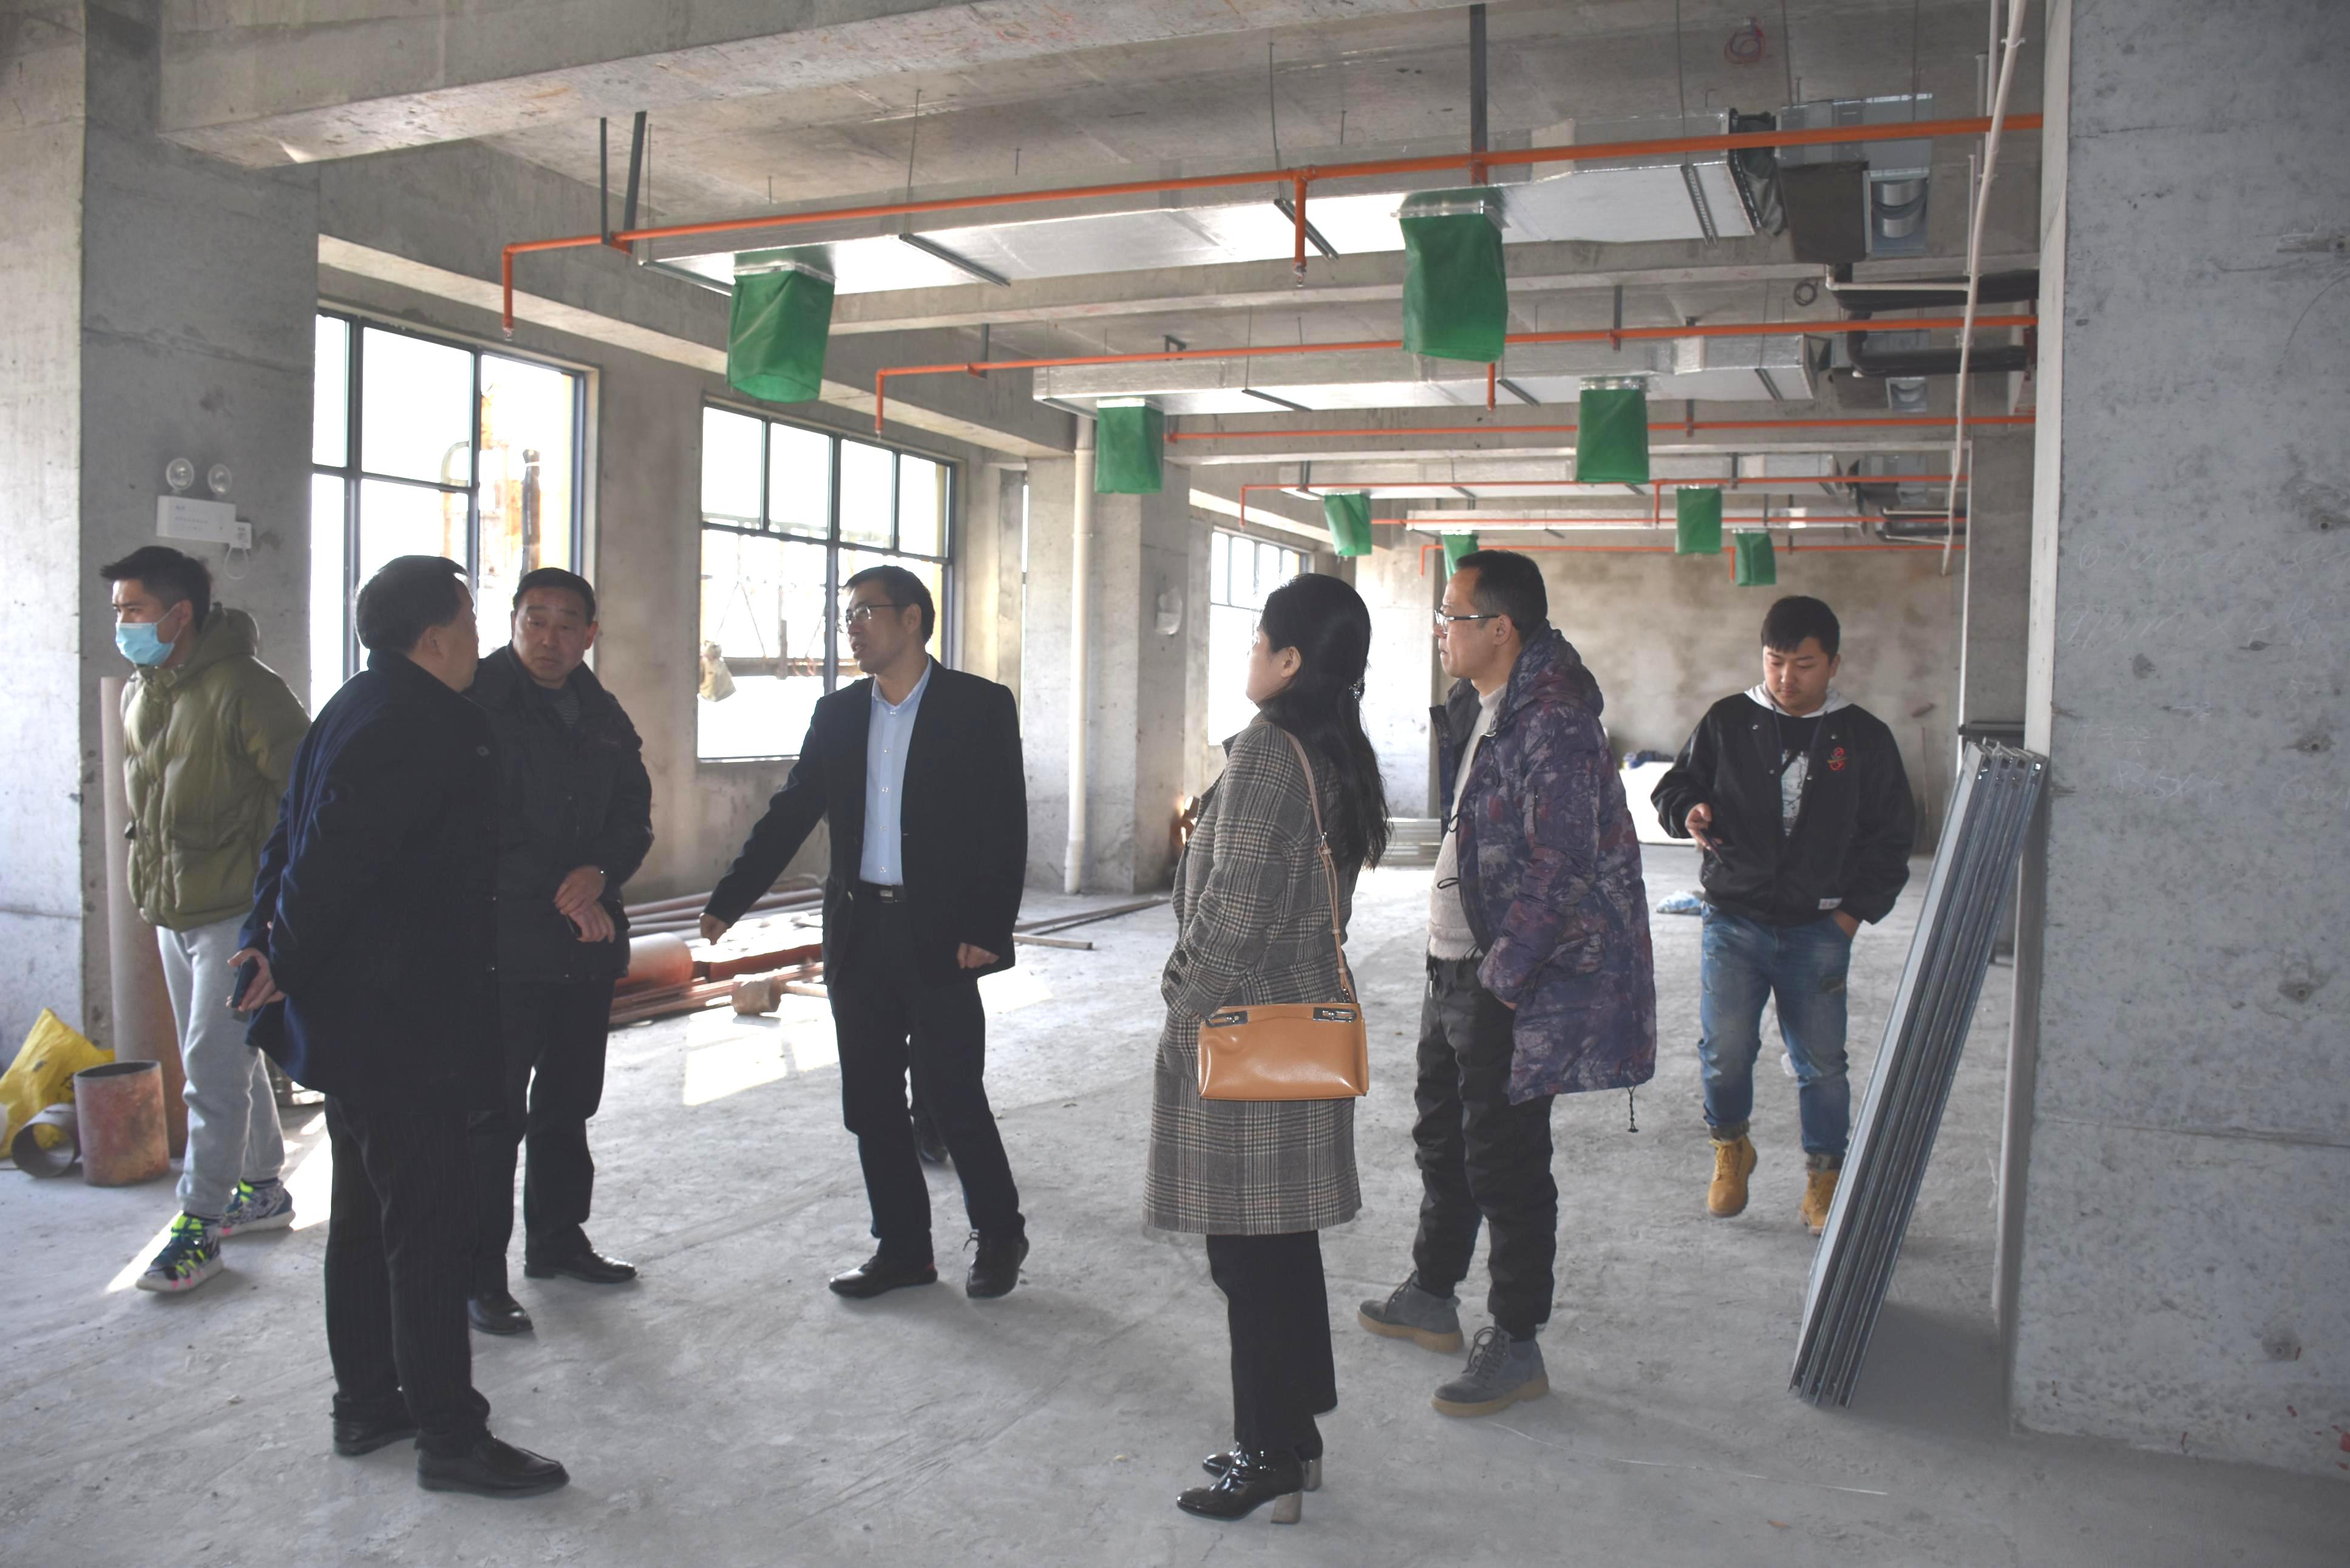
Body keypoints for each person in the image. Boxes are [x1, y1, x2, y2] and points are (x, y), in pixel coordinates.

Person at [235, 555, 566, 1498]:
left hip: (355, 1025)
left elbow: (288, 836)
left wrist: (265, 940)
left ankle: (368, 1402)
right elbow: (329, 857)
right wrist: (281, 952)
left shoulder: (353, 702)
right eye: (469, 619)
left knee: (365, 1217)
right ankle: (450, 1435)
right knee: (428, 1226)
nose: (477, 637)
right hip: (404, 1024)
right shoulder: (424, 722)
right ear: (433, 635)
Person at [1358, 549, 1657, 1419]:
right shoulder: (1478, 705)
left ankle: (1517, 1341)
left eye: (1450, 615)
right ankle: (1432, 1291)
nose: (1439, 631)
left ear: (1500, 628)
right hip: (1450, 960)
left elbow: (1560, 865)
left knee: (1506, 1160)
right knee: (1442, 1136)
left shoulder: (1554, 722)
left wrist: (1502, 977)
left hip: (1504, 977)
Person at [699, 565, 1029, 1300]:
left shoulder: (978, 707)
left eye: (863, 612)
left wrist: (987, 926)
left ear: (912, 619)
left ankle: (1000, 1233)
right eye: (845, 616)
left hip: (941, 934)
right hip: (859, 933)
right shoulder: (838, 714)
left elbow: (1002, 823)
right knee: (871, 1102)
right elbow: (792, 810)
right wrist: (732, 897)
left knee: (951, 1093)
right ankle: (903, 1248)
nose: (850, 627)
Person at [1149, 572, 1388, 1526]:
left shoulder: (1265, 751)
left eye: (1256, 640)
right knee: (1279, 1246)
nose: (1248, 654)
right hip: (1296, 1019)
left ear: (1289, 659)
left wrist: (1181, 1008)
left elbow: (1233, 912)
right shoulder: (1333, 750)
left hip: (1245, 1030)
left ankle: (1268, 1457)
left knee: (1247, 1259)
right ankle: (1295, 1440)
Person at [1652, 595, 1915, 1232]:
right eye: (1774, 662)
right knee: (1725, 1050)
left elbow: (1893, 835)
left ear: (1833, 664)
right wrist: (1688, 811)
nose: (1785, 678)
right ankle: (1730, 1148)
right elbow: (1675, 785)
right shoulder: (1728, 720)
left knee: (1821, 1062)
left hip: (1818, 928)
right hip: (1733, 919)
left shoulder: (1862, 737)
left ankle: (1823, 1179)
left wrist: (1851, 916)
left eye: (1803, 665)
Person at [101, 546, 311, 1293]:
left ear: (179, 614)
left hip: (237, 914)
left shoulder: (248, 689)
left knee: (210, 1073)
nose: (121, 625)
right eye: (119, 611)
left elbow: (309, 797)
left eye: (133, 610)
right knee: (233, 1056)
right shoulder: (143, 691)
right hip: (174, 907)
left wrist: (282, 917)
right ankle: (263, 1188)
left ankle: (199, 1225)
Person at [463, 568, 653, 1336]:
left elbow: (634, 813)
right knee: (491, 1114)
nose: (549, 638)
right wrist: (562, 888)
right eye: (534, 620)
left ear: (590, 635)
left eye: (566, 623)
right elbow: (469, 826)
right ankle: (479, 1274)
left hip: (584, 947)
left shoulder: (600, 711)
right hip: (502, 946)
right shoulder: (475, 702)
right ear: (511, 623)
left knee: (569, 1103)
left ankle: (558, 1240)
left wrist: (600, 874)